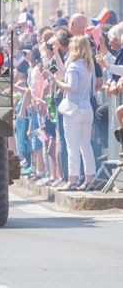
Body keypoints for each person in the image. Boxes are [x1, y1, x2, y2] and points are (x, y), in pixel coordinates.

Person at [50, 35, 97, 190]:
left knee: (72, 147)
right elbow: (66, 72)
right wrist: (56, 54)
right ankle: (89, 179)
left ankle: (72, 180)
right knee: (86, 145)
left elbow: (71, 87)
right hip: (86, 108)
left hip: (74, 110)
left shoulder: (74, 66)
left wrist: (55, 81)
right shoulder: (88, 64)